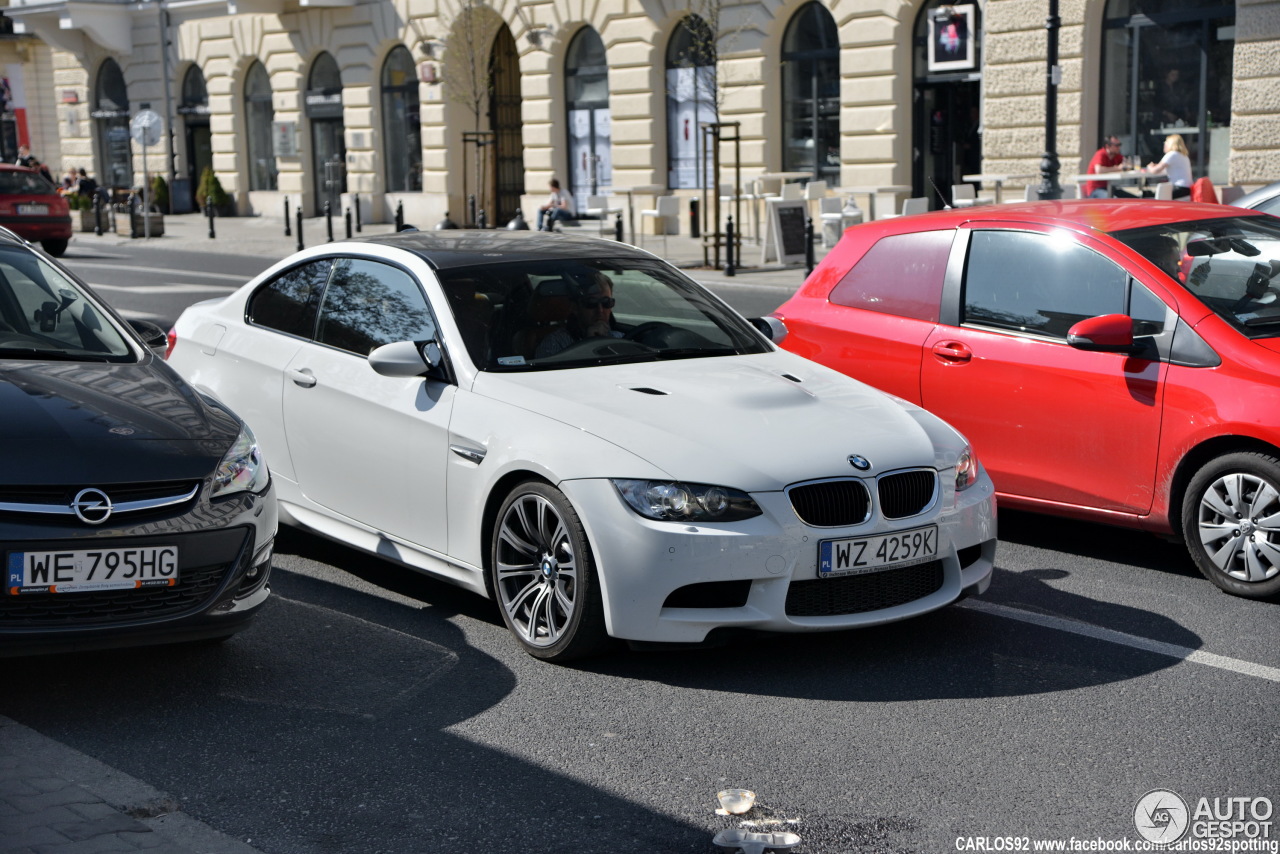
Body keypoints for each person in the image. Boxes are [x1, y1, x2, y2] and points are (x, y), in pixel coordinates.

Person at [535, 273, 624, 357]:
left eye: (606, 302)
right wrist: (589, 344)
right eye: (591, 303)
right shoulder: (554, 343)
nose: (600, 310)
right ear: (575, 308)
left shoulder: (620, 338)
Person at [1143, 134, 1193, 199]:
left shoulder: (1171, 154)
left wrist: (1149, 167)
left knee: (1148, 196)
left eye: (1165, 142)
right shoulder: (1183, 155)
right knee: (1152, 194)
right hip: (1186, 189)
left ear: (1170, 144)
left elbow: (1155, 171)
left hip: (1179, 188)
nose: (1164, 145)